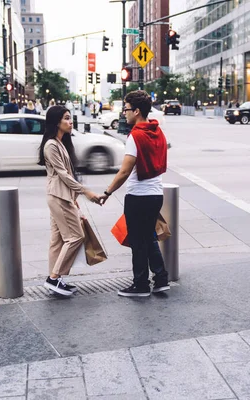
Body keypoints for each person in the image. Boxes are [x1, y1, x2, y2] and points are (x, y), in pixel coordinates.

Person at [99, 90, 169, 297]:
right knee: (149, 238)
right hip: (156, 195)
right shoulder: (157, 131)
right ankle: (161, 279)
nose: (124, 114)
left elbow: (125, 171)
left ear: (137, 111)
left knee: (138, 241)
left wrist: (107, 192)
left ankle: (140, 285)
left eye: (126, 109)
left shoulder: (135, 136)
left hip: (138, 197)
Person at [38, 106, 101, 296]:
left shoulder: (60, 143)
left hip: (62, 196)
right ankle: (54, 278)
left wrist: (75, 198)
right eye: (66, 118)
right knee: (75, 236)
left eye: (70, 118)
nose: (70, 122)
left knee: (57, 241)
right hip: (58, 196)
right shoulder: (51, 145)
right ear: (57, 122)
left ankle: (56, 279)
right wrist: (86, 192)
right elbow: (63, 175)